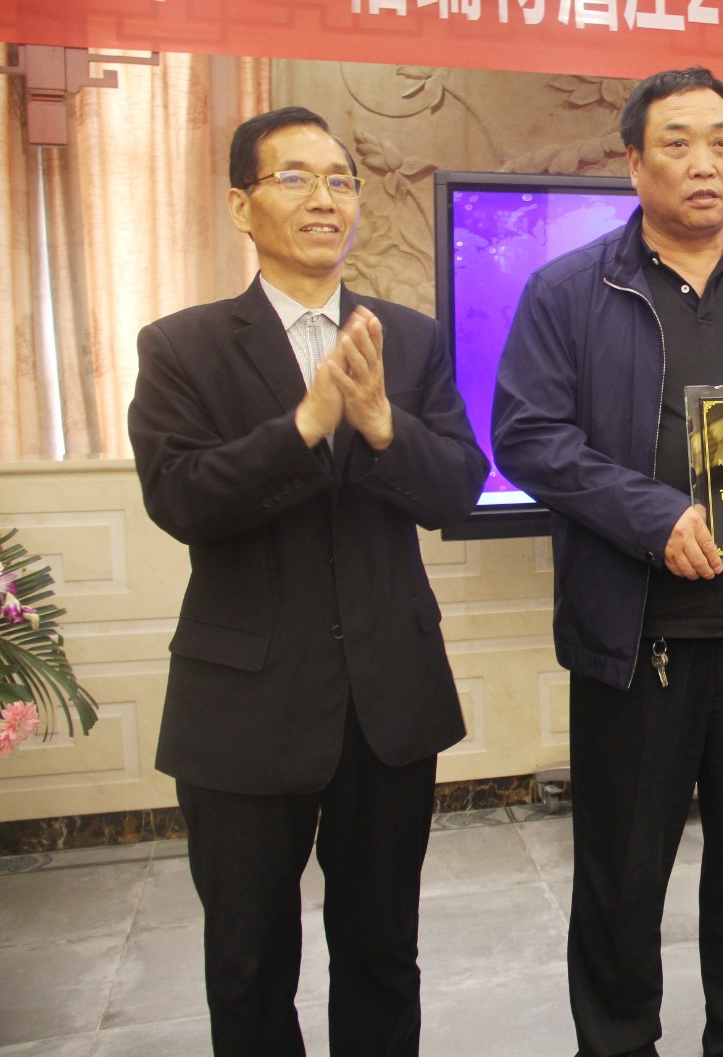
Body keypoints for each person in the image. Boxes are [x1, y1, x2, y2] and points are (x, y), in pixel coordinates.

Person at [491, 67, 723, 1056]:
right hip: (635, 644)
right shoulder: (569, 290)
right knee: (622, 879)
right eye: (677, 142)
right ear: (633, 161)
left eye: (721, 141)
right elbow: (528, 435)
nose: (704, 162)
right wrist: (653, 517)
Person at [127, 106, 489, 1055]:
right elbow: (180, 498)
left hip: (387, 700)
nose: (324, 198)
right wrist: (303, 426)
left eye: (340, 180)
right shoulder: (181, 345)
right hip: (243, 706)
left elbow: (458, 486)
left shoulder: (407, 339)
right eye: (294, 177)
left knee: (383, 954)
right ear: (241, 205)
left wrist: (381, 426)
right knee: (248, 969)